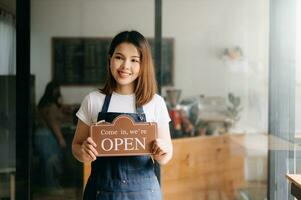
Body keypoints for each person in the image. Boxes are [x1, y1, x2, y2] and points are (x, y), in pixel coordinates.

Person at [72, 30, 173, 200]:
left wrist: (161, 151)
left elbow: (166, 155)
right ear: (110, 59)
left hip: (144, 193)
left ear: (143, 65)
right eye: (119, 57)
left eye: (134, 60)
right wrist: (83, 152)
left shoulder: (155, 102)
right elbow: (76, 146)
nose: (125, 66)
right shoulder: (93, 100)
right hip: (101, 192)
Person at [34, 81, 71, 193]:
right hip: (47, 136)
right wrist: (61, 139)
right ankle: (51, 187)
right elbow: (53, 124)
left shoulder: (43, 103)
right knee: (52, 160)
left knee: (46, 161)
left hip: (39, 135)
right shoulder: (51, 106)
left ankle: (47, 186)